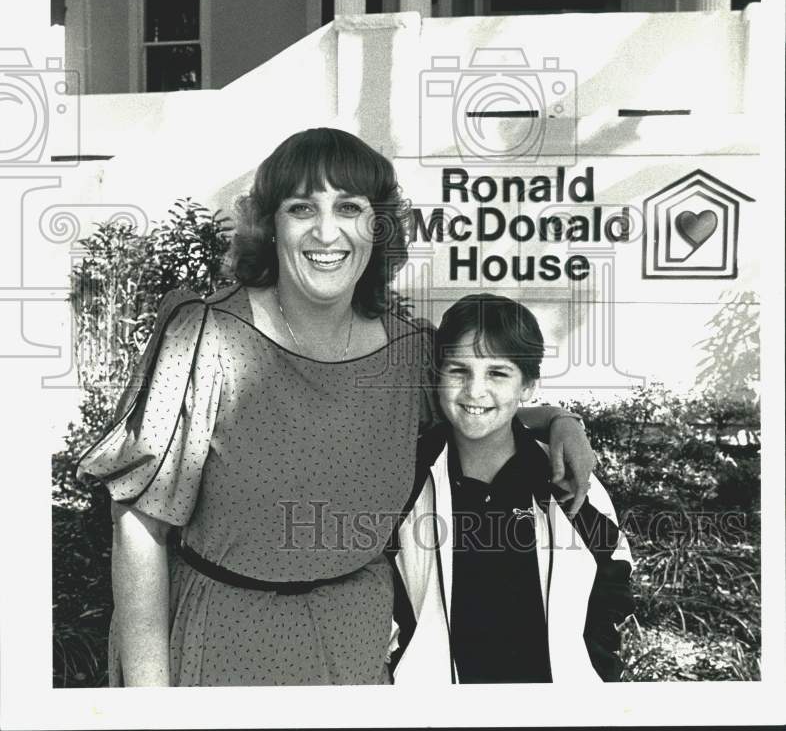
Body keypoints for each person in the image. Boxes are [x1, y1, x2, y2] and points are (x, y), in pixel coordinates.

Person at [77, 127, 597, 687]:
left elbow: (476, 408)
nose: (328, 232)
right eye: (302, 207)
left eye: (349, 207)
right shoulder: (206, 338)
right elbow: (139, 525)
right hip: (219, 644)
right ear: (270, 225)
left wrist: (560, 422)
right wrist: (151, 707)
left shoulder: (409, 354)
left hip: (355, 647)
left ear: (377, 229)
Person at [389, 293, 634, 685]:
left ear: (528, 386)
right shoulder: (408, 478)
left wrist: (591, 670)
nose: (474, 391)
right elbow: (382, 586)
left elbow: (613, 576)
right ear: (438, 376)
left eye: (497, 374)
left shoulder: (565, 481)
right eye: (458, 370)